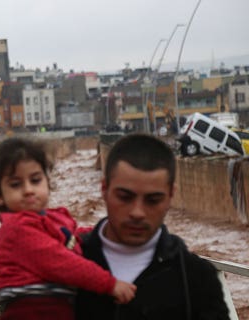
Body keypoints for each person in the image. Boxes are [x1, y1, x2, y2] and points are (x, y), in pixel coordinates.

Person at [75, 133, 230, 319]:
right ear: (104, 189)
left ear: (171, 196)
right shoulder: (65, 264)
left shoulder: (197, 280)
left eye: (153, 200)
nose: (137, 212)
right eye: (125, 197)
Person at [0, 137, 136, 320]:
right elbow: (64, 263)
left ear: (48, 181)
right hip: (31, 310)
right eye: (16, 184)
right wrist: (110, 284)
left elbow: (71, 238)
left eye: (35, 180)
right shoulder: (16, 230)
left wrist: (105, 232)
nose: (28, 190)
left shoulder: (50, 219)